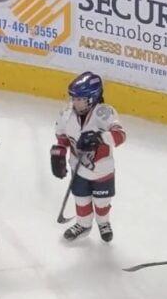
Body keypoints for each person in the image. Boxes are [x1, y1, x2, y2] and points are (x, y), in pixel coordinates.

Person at [50, 72, 127, 242]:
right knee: (81, 199)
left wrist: (99, 137)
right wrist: (58, 154)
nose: (75, 102)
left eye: (80, 99)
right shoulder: (66, 114)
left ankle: (103, 222)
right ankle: (83, 225)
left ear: (92, 98)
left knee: (102, 202)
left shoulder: (104, 112)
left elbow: (120, 135)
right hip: (77, 169)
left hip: (102, 171)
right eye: (74, 98)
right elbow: (61, 136)